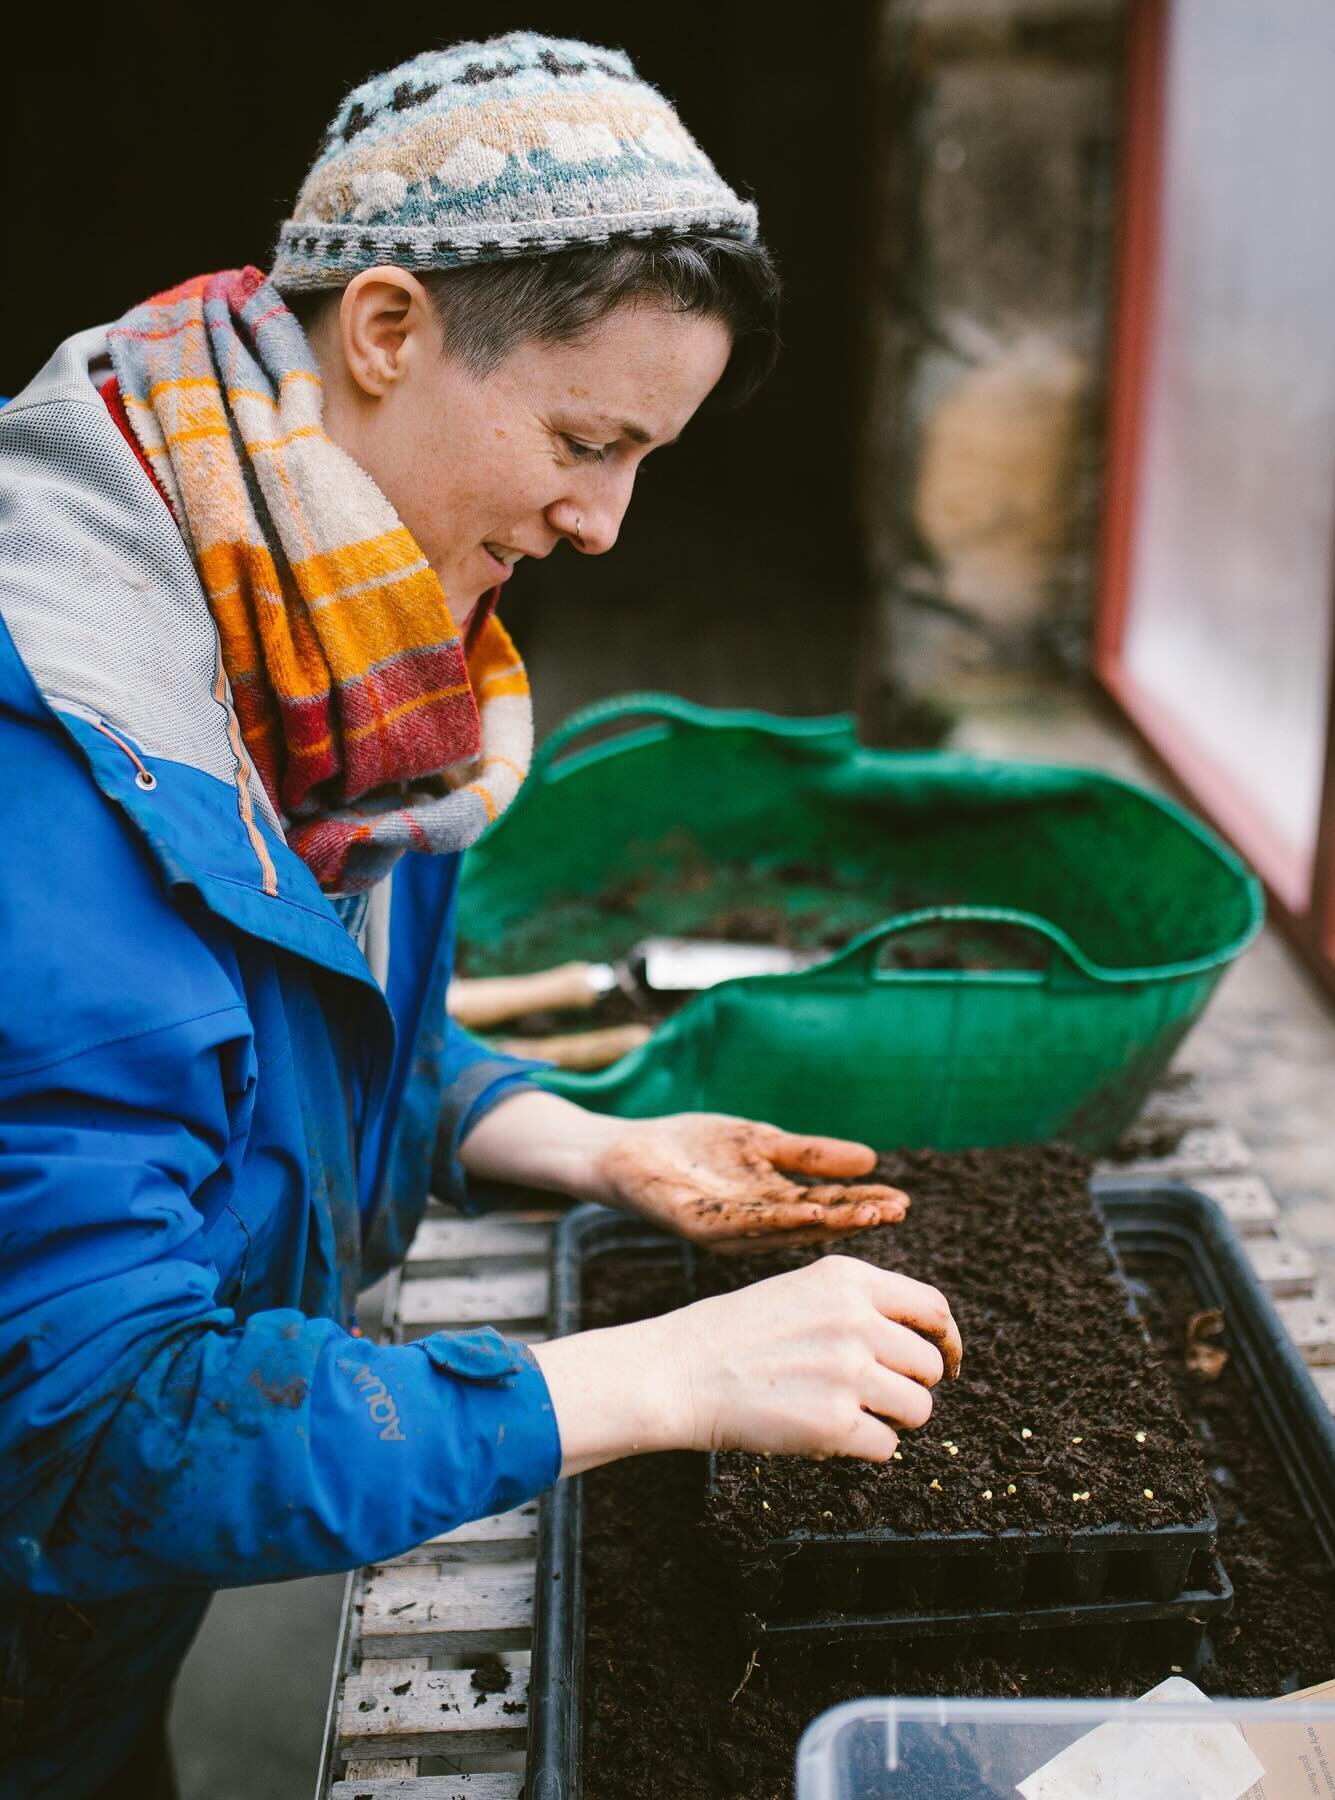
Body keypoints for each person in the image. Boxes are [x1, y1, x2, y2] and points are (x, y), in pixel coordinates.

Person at [0, 34, 962, 1796]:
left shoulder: (339, 655)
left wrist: (582, 1141)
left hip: (81, 1654)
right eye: (590, 439)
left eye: (645, 457)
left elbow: (282, 1035)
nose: (605, 524)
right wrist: (654, 1379)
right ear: (385, 331)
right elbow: (79, 1429)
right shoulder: (53, 769)